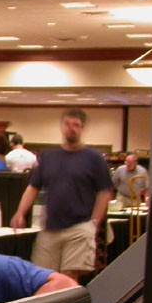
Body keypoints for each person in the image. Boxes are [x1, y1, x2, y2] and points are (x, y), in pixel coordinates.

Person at [10, 109, 112, 282]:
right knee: (43, 278)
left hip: (79, 227)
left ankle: (70, 301)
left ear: (82, 128)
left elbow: (105, 192)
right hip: (50, 228)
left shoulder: (93, 158)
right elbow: (33, 187)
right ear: (61, 126)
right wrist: (20, 212)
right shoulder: (49, 156)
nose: (71, 128)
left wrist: (94, 223)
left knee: (68, 278)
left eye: (76, 125)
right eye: (67, 124)